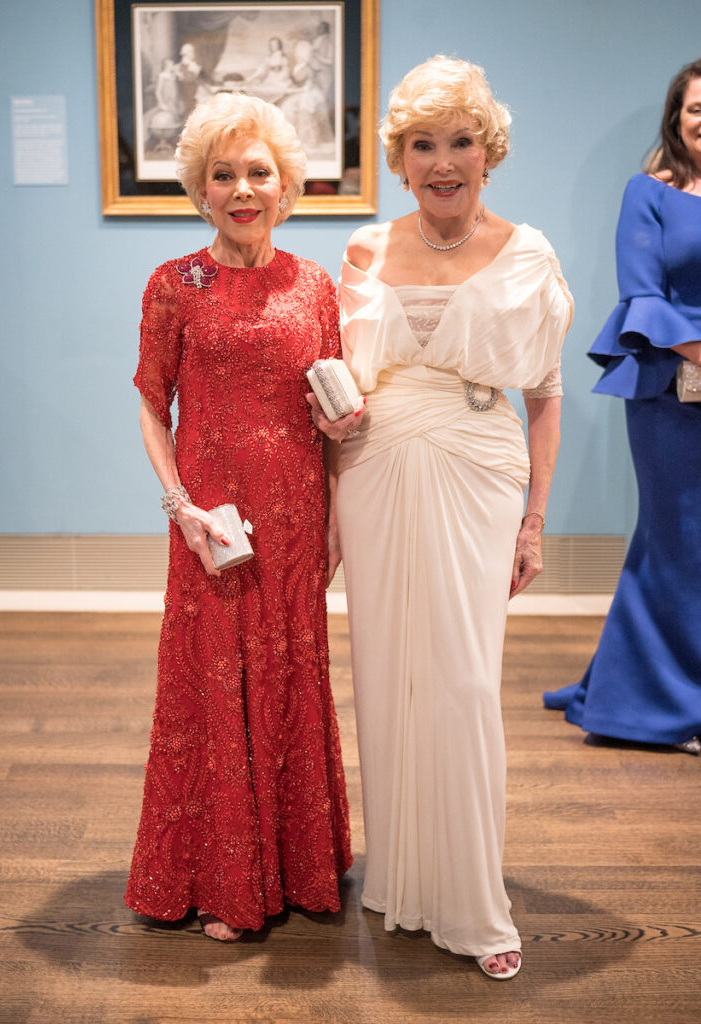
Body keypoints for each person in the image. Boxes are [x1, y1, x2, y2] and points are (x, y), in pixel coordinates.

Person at [311, 56, 573, 979]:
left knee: (461, 681)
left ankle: (473, 903)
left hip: (477, 464)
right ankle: (405, 881)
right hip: (373, 467)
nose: (442, 160)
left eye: (460, 141)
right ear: (401, 158)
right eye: (423, 144)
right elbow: (339, 386)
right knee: (386, 675)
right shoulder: (363, 250)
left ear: (489, 152)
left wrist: (535, 522)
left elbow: (543, 397)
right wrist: (331, 471)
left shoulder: (529, 252)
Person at [124, 92, 356, 943]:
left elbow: (330, 407)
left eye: (259, 172)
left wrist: (335, 512)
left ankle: (298, 863)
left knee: (293, 670)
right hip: (211, 519)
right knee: (213, 677)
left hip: (296, 512)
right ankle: (223, 878)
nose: (243, 189)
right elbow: (154, 407)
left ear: (287, 186)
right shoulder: (172, 285)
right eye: (223, 175)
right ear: (200, 190)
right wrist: (180, 506)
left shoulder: (315, 285)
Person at [544, 59, 701, 755]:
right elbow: (643, 293)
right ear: (677, 117)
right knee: (682, 546)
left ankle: (623, 687)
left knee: (670, 548)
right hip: (673, 390)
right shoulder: (651, 192)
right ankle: (674, 707)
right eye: (697, 107)